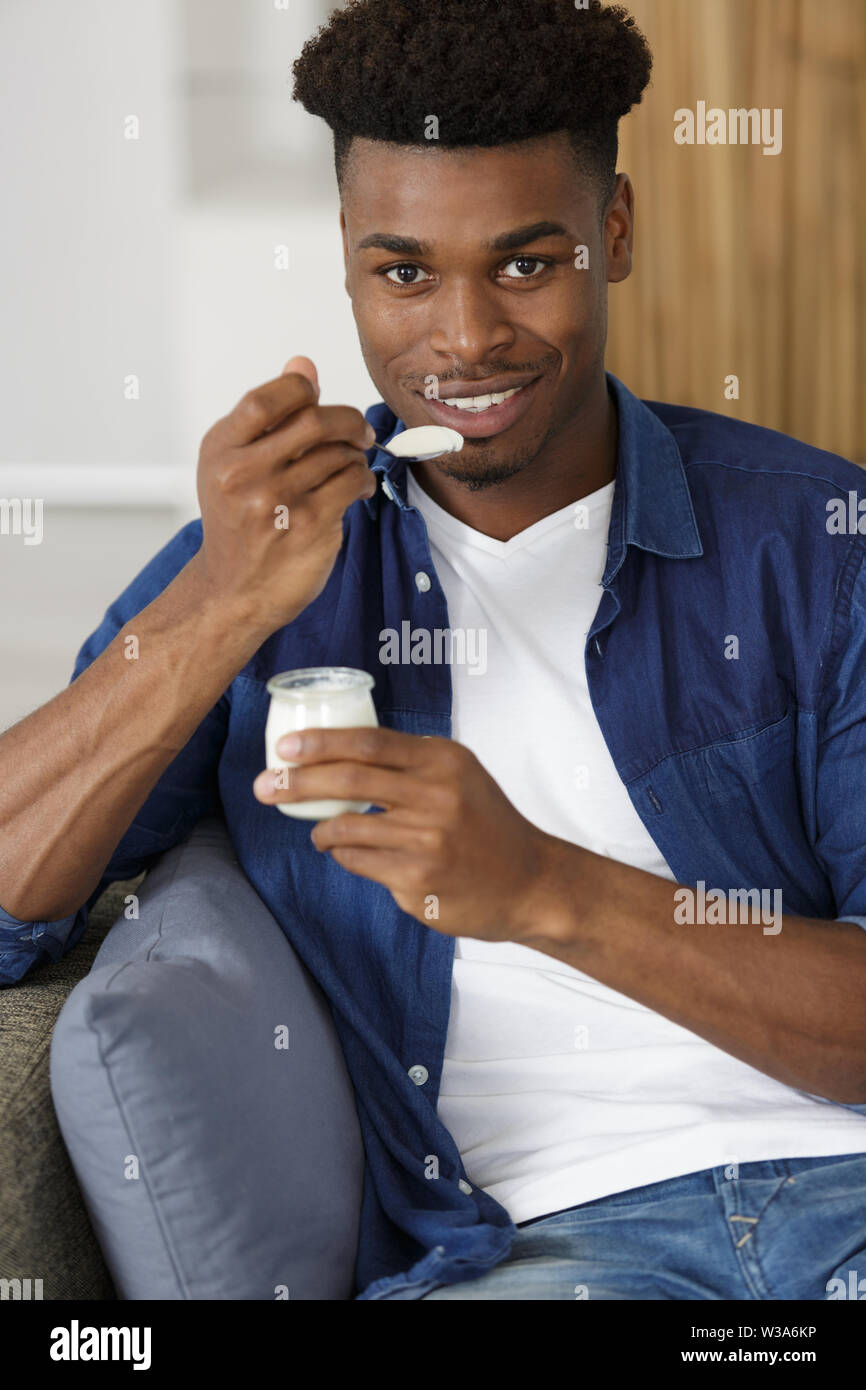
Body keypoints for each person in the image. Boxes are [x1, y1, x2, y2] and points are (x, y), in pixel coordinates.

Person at [2, 0, 865, 1301]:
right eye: (404, 272)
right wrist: (218, 607)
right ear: (347, 260)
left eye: (525, 264)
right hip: (549, 1247)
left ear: (611, 233)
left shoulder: (814, 537)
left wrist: (541, 886)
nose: (462, 339)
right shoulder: (260, 555)